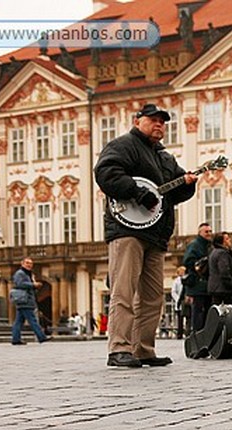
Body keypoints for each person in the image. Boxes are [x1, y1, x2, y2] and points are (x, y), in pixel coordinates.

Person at [94, 103, 197, 368]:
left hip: (156, 233)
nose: (159, 125)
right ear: (138, 120)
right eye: (153, 120)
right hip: (127, 228)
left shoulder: (164, 158)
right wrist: (137, 192)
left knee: (152, 296)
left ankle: (143, 348)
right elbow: (106, 173)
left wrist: (187, 186)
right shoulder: (123, 145)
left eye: (162, 122)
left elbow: (171, 194)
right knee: (123, 291)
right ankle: (119, 348)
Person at [9, 257, 49, 345]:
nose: (29, 265)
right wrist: (33, 284)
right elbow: (20, 284)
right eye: (27, 263)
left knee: (18, 321)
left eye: (31, 263)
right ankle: (41, 337)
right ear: (22, 264)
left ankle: (15, 339)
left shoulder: (27, 274)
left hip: (25, 300)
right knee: (32, 319)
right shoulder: (20, 273)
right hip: (25, 300)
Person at [183, 222, 213, 333]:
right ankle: (197, 337)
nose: (209, 234)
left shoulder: (210, 246)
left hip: (206, 286)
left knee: (206, 314)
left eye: (210, 231)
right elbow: (188, 261)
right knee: (198, 314)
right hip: (197, 286)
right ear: (200, 233)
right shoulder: (194, 245)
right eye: (206, 232)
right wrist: (199, 266)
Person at [207, 232, 232, 306]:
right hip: (222, 288)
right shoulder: (222, 253)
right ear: (223, 242)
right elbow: (224, 271)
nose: (229, 240)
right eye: (227, 239)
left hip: (215, 287)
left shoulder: (214, 252)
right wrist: (231, 284)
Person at [171, 266, 188, 338]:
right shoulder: (176, 281)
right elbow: (173, 292)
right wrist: (178, 299)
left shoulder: (187, 279)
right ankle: (179, 333)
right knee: (180, 319)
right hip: (179, 302)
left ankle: (187, 332)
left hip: (186, 300)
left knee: (188, 317)